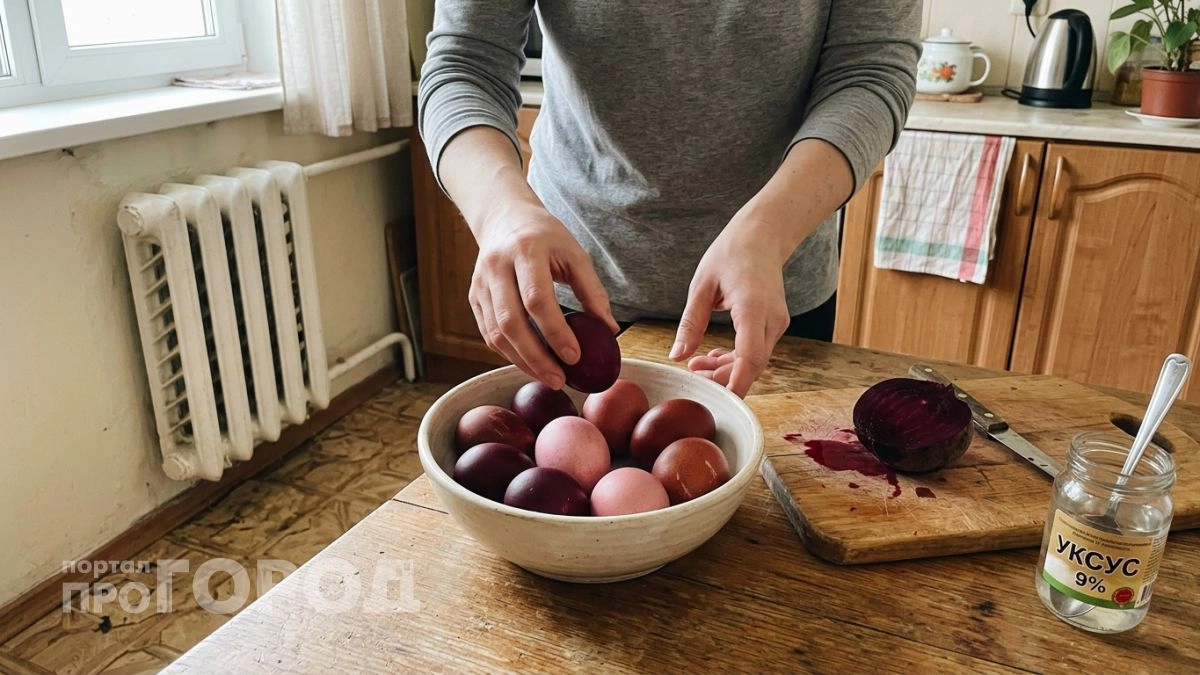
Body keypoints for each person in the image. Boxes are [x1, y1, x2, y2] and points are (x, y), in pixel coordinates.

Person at [418, 1, 920, 397]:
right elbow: (465, 64)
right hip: (563, 284)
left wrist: (769, 231)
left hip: (772, 289)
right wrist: (501, 213)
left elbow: (869, 71)